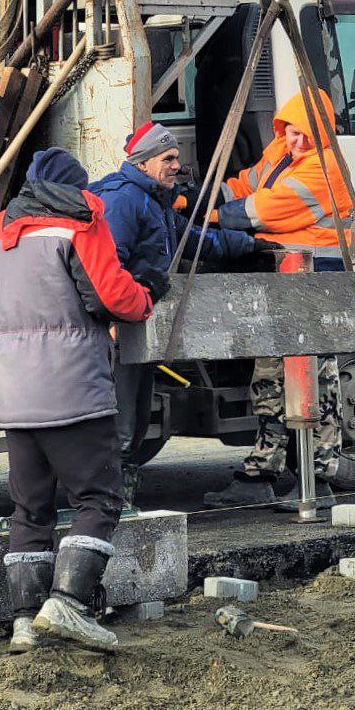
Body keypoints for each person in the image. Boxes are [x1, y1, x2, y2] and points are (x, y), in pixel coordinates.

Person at [0, 147, 157, 655]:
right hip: (71, 386)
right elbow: (109, 296)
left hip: (14, 390)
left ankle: (24, 620)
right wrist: (147, 294)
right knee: (99, 499)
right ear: (77, 187)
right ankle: (68, 603)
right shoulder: (82, 222)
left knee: (30, 509)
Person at [90, 121, 264, 508]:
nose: (176, 166)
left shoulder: (152, 200)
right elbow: (108, 265)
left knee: (132, 419)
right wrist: (113, 319)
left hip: (139, 324)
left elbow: (195, 240)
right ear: (146, 161)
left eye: (176, 159)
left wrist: (249, 244)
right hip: (123, 326)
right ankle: (108, 504)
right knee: (122, 421)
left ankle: (117, 500)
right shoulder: (124, 200)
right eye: (168, 158)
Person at [202, 89, 354, 511]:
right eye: (292, 132)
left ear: (321, 135)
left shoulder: (325, 170)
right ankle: (262, 471)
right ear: (282, 128)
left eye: (306, 135)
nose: (298, 141)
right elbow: (241, 185)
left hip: (314, 282)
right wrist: (206, 194)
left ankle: (318, 476)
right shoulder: (279, 158)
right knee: (269, 374)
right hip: (281, 277)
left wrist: (203, 212)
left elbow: (262, 210)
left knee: (315, 376)